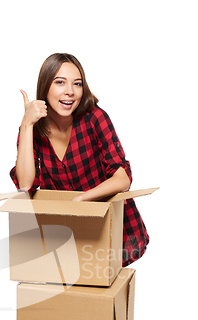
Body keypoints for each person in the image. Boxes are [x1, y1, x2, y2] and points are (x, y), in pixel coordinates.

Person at [10, 53, 149, 266]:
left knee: (106, 291)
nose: (70, 91)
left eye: (77, 84)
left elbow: (123, 179)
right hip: (68, 235)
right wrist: (27, 124)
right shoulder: (33, 129)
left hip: (111, 227)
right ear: (45, 86)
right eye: (60, 82)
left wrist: (83, 199)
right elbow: (26, 184)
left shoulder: (95, 118)